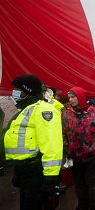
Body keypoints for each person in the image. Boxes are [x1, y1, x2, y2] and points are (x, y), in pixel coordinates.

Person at [4, 74, 63, 209]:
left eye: (18, 90)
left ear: (27, 91)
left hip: (38, 173)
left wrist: (50, 177)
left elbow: (52, 143)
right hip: (26, 171)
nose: (15, 93)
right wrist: (18, 171)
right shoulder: (25, 110)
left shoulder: (43, 110)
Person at [62, 87, 95, 210]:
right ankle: (82, 206)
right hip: (75, 158)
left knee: (94, 185)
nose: (70, 100)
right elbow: (63, 133)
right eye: (69, 97)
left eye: (73, 96)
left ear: (80, 97)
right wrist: (67, 148)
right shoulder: (66, 114)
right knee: (79, 186)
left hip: (92, 157)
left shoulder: (94, 113)